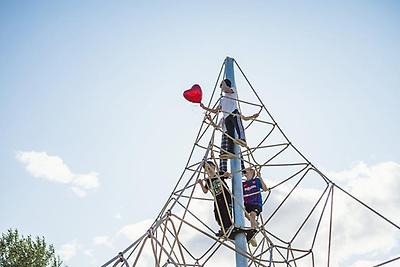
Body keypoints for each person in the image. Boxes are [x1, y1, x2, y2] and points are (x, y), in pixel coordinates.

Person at [200, 79, 257, 159]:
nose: (222, 89)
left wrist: (224, 84)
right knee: (230, 134)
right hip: (226, 117)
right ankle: (231, 151)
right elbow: (215, 111)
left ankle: (242, 139)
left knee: (238, 126)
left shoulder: (232, 91)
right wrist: (204, 107)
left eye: (222, 86)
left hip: (233, 112)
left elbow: (227, 89)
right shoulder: (222, 100)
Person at [197, 161, 232, 236]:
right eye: (206, 168)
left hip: (225, 196)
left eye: (210, 166)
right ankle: (223, 227)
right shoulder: (208, 180)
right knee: (217, 213)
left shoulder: (219, 174)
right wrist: (201, 184)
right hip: (217, 198)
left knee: (226, 210)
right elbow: (205, 191)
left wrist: (227, 174)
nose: (208, 169)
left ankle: (228, 226)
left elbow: (228, 175)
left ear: (214, 167)